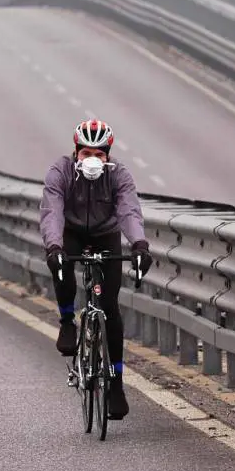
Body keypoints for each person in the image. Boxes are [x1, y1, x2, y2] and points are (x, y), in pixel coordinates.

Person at [39, 119, 153, 420]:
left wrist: (139, 245)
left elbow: (129, 210)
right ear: (75, 152)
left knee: (110, 307)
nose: (92, 160)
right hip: (72, 233)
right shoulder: (60, 171)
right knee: (61, 269)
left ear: (108, 156)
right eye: (86, 153)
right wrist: (54, 247)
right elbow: (52, 211)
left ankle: (116, 383)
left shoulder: (119, 175)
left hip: (105, 233)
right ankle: (66, 320)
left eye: (99, 155)